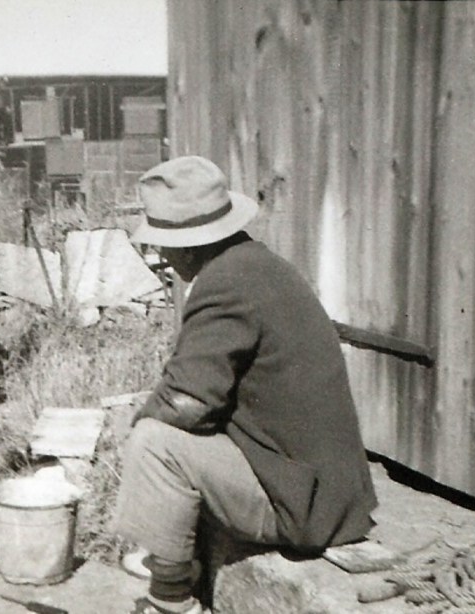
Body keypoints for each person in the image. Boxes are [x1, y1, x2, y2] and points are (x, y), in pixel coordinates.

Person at [113, 156, 378, 614]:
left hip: (302, 504)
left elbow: (187, 402)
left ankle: (171, 601)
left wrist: (133, 424)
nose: (162, 256)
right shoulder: (254, 264)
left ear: (190, 246)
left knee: (152, 442)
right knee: (161, 433)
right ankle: (179, 560)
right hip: (323, 487)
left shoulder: (225, 283)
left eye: (163, 245)